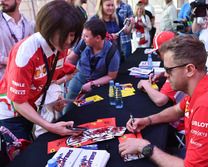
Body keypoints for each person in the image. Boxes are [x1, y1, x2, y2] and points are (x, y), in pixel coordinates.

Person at [119, 35, 208, 166]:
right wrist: (148, 120)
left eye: (169, 70)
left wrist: (145, 147)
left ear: (190, 70)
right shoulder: (205, 87)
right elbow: (176, 110)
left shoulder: (206, 106)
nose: (166, 75)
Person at [0, 0, 85, 143]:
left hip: (31, 109)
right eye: (67, 34)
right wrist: (50, 126)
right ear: (50, 28)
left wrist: (54, 102)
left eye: (73, 35)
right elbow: (18, 102)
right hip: (11, 115)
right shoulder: (26, 52)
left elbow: (48, 80)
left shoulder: (59, 48)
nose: (70, 41)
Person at [65, 18, 120, 103]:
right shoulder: (83, 43)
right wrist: (63, 78)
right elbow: (71, 59)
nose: (83, 38)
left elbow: (111, 76)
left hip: (98, 84)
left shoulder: (112, 52)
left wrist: (92, 84)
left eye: (86, 36)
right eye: (83, 35)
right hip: (79, 79)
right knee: (67, 107)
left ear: (98, 38)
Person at [137, 31, 184, 107]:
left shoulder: (175, 66)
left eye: (157, 52)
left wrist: (145, 84)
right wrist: (162, 73)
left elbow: (160, 100)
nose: (158, 56)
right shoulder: (183, 59)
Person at [0, 0, 34, 79]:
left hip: (25, 80)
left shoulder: (29, 24)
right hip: (3, 82)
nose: (1, 1)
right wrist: (9, 60)